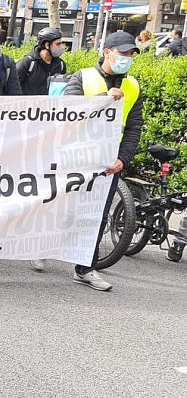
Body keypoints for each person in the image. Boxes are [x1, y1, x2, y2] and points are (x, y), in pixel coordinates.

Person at [63, 31, 144, 292]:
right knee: (63, 207)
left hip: (108, 162)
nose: (127, 59)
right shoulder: (83, 77)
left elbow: (133, 127)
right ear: (107, 52)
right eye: (122, 53)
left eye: (131, 55)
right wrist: (103, 99)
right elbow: (68, 110)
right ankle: (47, 247)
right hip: (75, 157)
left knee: (97, 214)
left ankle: (86, 268)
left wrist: (123, 158)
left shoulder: (133, 86)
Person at [16, 26, 66, 96]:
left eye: (61, 43)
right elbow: (13, 87)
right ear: (47, 45)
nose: (61, 47)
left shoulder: (61, 64)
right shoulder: (27, 62)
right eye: (58, 44)